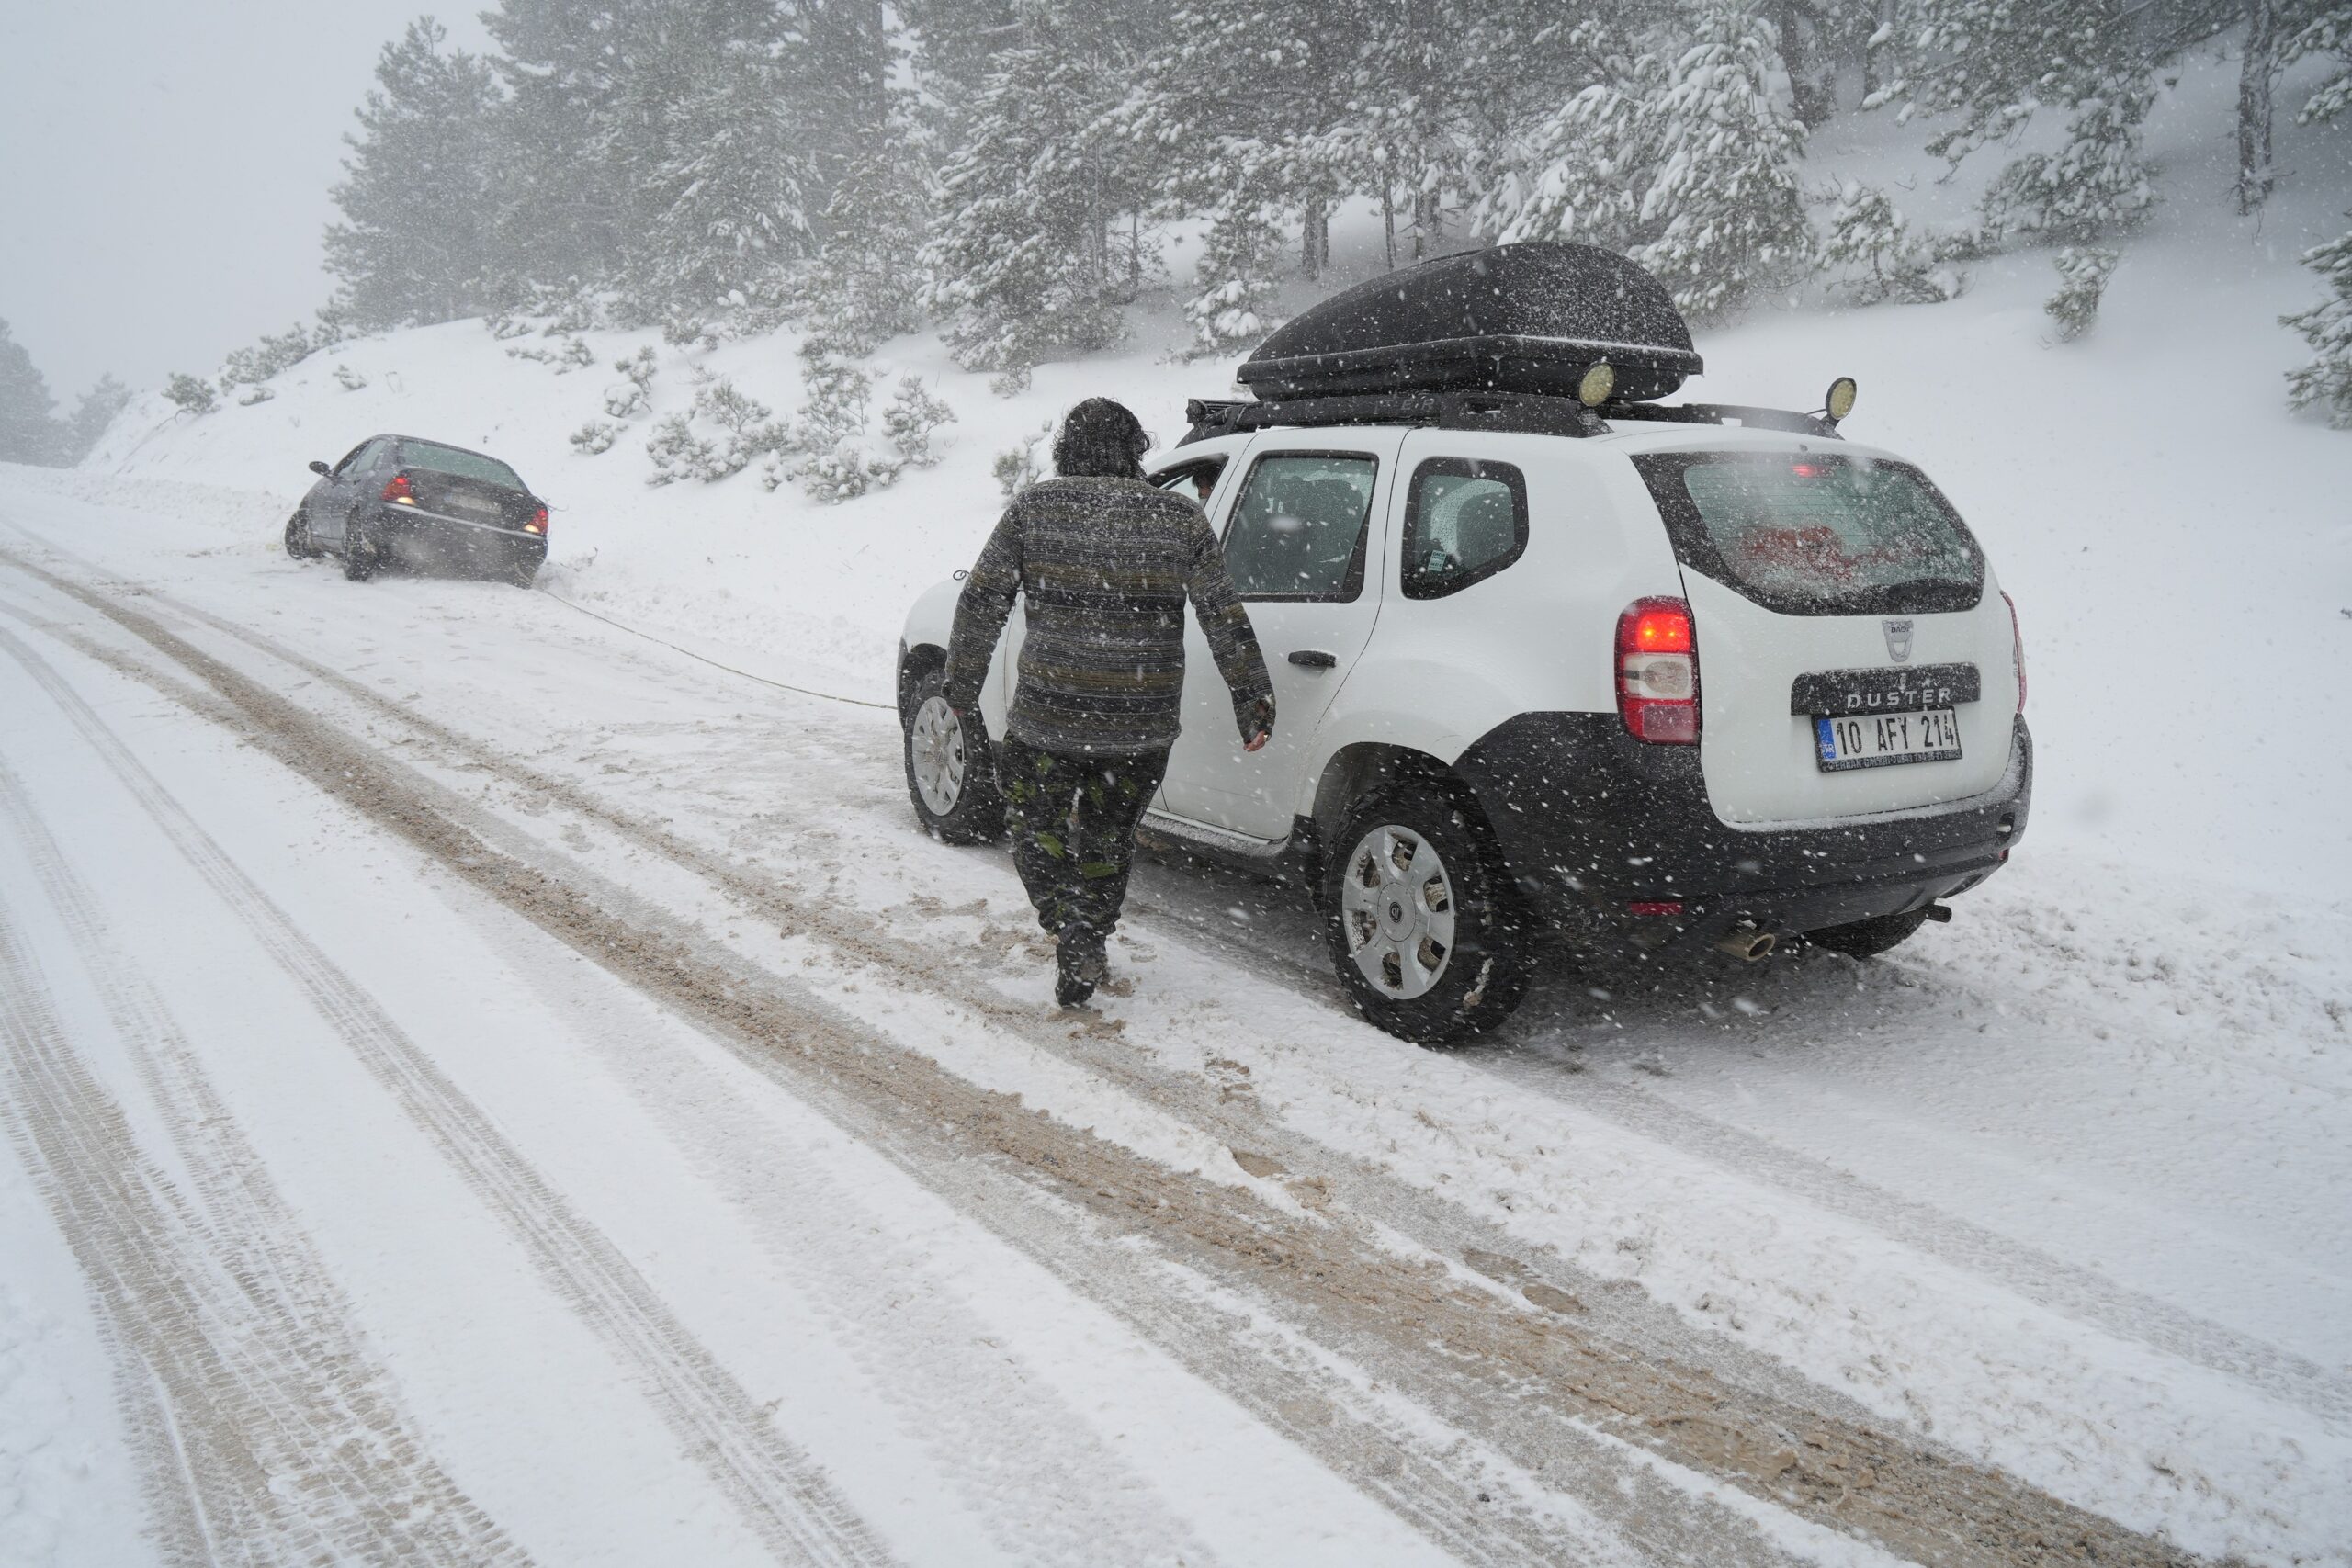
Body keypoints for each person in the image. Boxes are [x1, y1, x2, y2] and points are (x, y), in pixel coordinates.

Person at [944, 399, 1274, 1007]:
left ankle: (1066, 926)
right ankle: (1086, 930)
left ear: (1067, 450)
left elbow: (982, 598)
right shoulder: (1179, 519)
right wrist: (1252, 698)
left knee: (1032, 824)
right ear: (1136, 448)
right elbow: (1222, 613)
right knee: (1108, 836)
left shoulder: (1035, 508)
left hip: (1048, 718)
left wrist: (961, 687)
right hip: (1139, 724)